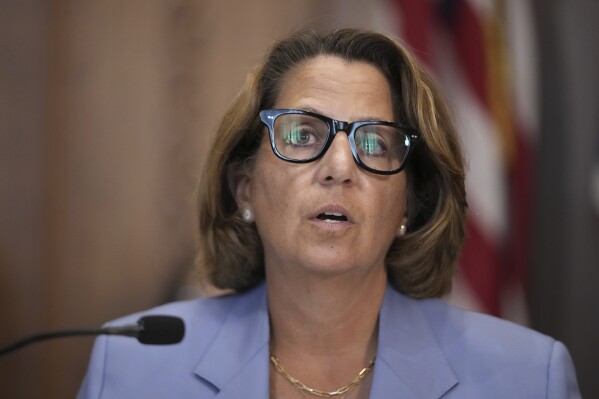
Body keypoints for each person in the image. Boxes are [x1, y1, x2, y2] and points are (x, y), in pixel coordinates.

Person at [77, 28, 580, 398]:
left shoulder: (529, 377)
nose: (339, 167)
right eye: (301, 135)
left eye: (375, 143)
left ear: (409, 202)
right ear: (244, 188)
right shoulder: (131, 367)